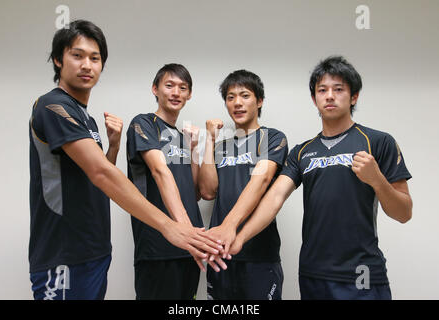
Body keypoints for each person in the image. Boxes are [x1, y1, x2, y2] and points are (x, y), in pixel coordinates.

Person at [29, 20, 221, 300]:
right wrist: (174, 226)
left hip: (94, 249)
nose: (87, 65)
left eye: (95, 58)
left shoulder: (86, 118)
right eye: (77, 55)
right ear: (58, 59)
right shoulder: (52, 106)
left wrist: (114, 145)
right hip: (63, 253)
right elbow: (106, 175)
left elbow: (96, 178)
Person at [228, 56, 413, 300]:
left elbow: (404, 213)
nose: (329, 96)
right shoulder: (302, 151)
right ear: (314, 99)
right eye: (322, 90)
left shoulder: (378, 142)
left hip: (362, 273)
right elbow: (274, 198)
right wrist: (239, 237)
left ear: (354, 96)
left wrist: (377, 179)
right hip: (313, 274)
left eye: (339, 89)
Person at [199, 70, 288, 300]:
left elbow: (263, 179)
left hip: (259, 255)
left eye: (245, 95)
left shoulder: (273, 138)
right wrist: (209, 140)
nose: (237, 103)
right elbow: (208, 191)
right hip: (221, 255)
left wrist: (231, 225)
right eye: (230, 97)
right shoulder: (221, 148)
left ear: (259, 101)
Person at [126, 63, 207, 300]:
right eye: (169, 85)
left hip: (189, 247)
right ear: (155, 89)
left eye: (183, 88)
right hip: (157, 248)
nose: (175, 92)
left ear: (189, 94)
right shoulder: (143, 123)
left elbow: (194, 192)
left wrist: (192, 150)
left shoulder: (183, 137)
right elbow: (159, 171)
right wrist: (186, 231)